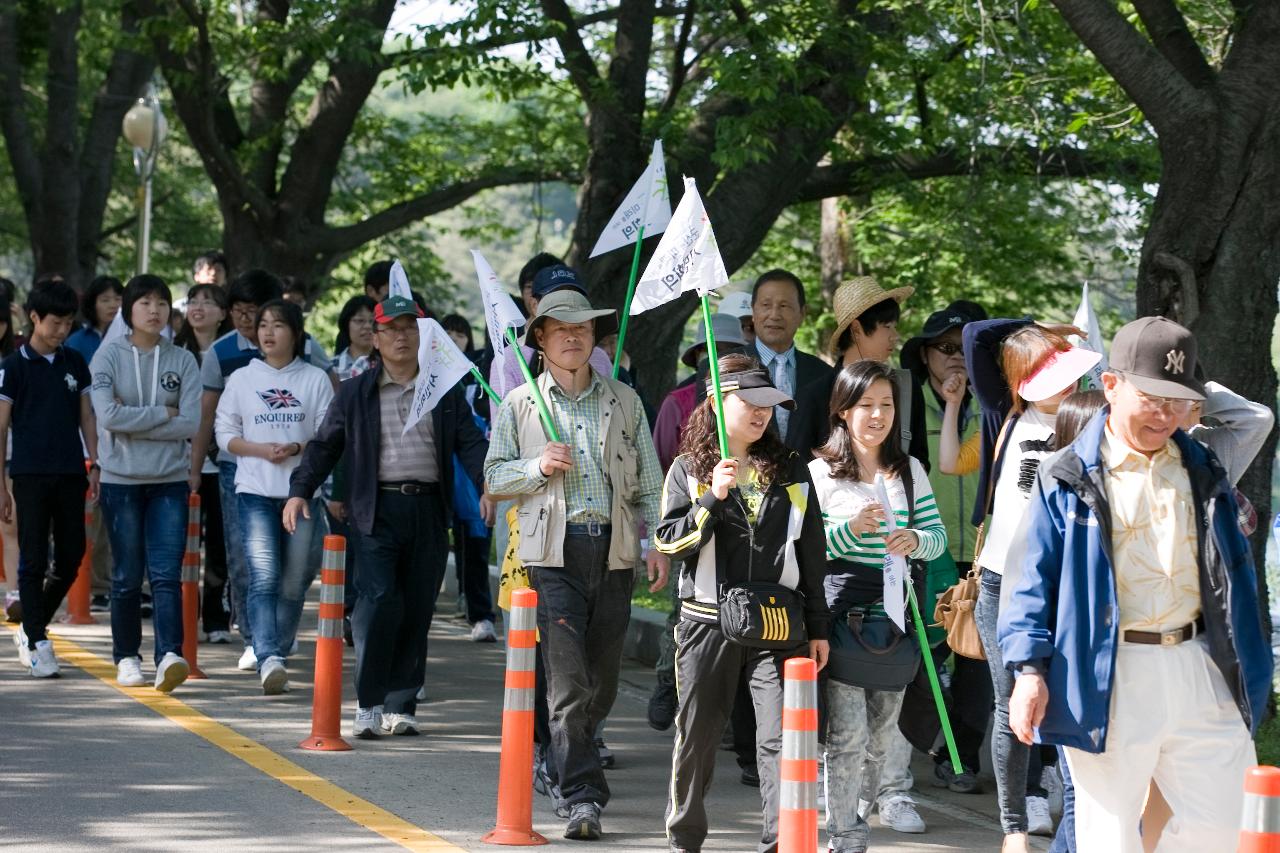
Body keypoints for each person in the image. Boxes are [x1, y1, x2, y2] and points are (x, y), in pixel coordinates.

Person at [1001, 317, 1271, 853]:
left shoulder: (1202, 466)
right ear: (1110, 385)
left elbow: (1253, 420)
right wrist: (1029, 671)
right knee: (1108, 836)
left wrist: (1193, 390)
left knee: (1230, 827)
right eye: (1151, 396)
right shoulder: (1065, 475)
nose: (1164, 414)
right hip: (1107, 670)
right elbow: (1031, 580)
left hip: (1203, 663)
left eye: (1177, 400)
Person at [484, 288, 669, 841]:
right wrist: (537, 466)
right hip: (552, 555)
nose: (573, 336)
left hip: (612, 550)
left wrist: (657, 540)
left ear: (594, 338)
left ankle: (565, 762)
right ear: (538, 339)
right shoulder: (519, 404)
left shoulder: (624, 399)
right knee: (567, 683)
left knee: (602, 683)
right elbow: (494, 478)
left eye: (583, 329)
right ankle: (582, 795)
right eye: (560, 328)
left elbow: (653, 479)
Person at [285, 294, 489, 737]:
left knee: (417, 606)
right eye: (391, 329)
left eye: (410, 328)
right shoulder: (356, 392)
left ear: (423, 335)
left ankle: (402, 703)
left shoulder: (443, 392)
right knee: (378, 603)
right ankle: (369, 702)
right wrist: (299, 490)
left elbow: (470, 444)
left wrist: (488, 484)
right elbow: (324, 445)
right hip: (375, 511)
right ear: (375, 339)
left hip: (429, 511)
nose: (401, 336)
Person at [655, 354, 830, 853]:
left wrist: (817, 626)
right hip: (706, 622)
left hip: (778, 621)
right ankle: (685, 839)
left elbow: (811, 551)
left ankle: (781, 843)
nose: (762, 414)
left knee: (779, 739)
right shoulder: (689, 468)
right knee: (698, 736)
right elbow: (669, 542)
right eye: (749, 402)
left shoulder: (793, 468)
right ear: (716, 402)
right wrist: (711, 498)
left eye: (769, 404)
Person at [962, 317, 1100, 851]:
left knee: (1063, 701)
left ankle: (1074, 816)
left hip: (1060, 586)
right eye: (1048, 371)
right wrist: (1038, 328)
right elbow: (976, 335)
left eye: (1063, 367)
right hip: (999, 584)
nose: (1064, 381)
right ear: (1021, 382)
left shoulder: (1086, 419)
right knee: (1007, 705)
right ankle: (1014, 827)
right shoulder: (1003, 416)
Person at [808, 360, 948, 853]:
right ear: (843, 411)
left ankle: (857, 814)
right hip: (842, 612)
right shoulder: (820, 472)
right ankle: (846, 834)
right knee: (846, 734)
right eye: (866, 404)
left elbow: (938, 538)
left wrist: (914, 539)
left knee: (882, 738)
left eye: (886, 405)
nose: (877, 415)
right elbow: (808, 548)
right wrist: (852, 532)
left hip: (897, 616)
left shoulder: (909, 470)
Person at [189, 269, 333, 672]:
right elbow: (221, 428)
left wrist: (297, 447)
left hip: (301, 493)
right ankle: (265, 651)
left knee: (293, 579)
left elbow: (328, 430)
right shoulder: (238, 373)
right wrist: (257, 450)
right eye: (261, 323)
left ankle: (279, 646)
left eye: (276, 324)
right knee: (260, 572)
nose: (265, 331)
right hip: (251, 488)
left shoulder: (314, 377)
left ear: (296, 332)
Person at [899, 300, 992, 794]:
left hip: (983, 553)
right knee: (925, 658)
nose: (956, 357)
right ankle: (924, 746)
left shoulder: (999, 407)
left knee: (976, 664)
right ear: (925, 354)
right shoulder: (904, 402)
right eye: (945, 348)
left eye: (968, 348)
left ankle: (964, 757)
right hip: (925, 549)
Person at [90, 275, 201, 692]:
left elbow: (190, 422)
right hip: (120, 480)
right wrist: (163, 414)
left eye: (161, 303)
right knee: (126, 576)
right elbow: (109, 417)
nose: (154, 310)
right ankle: (126, 657)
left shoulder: (183, 360)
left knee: (166, 574)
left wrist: (138, 418)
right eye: (145, 302)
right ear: (128, 310)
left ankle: (170, 654)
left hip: (169, 481)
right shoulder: (107, 358)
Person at [0, 278, 98, 677]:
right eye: (54, 322)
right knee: (33, 557)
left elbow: (87, 414)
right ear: (34, 318)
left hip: (72, 470)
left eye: (68, 324)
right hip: (28, 474)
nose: (61, 331)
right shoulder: (13, 367)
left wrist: (97, 463)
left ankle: (30, 617)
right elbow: (1, 428)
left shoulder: (75, 362)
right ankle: (38, 639)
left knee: (73, 554)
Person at [789, 277, 924, 463]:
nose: (895, 336)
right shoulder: (815, 395)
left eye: (895, 327)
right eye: (887, 327)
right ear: (856, 329)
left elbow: (920, 460)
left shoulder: (907, 387)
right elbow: (797, 467)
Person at [175, 284, 233, 643]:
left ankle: (215, 618)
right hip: (178, 460)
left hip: (222, 459)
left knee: (219, 545)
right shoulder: (174, 351)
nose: (198, 308)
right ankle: (183, 613)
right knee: (181, 542)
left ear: (223, 313)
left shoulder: (231, 352)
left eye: (208, 302)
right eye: (193, 301)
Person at [440, 312, 498, 643]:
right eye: (447, 332)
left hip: (478, 468)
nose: (454, 338)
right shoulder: (431, 379)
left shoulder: (480, 376)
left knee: (477, 539)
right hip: (445, 469)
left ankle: (481, 611)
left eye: (460, 333)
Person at [327, 294, 378, 644]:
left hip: (375, 474)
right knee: (340, 547)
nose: (364, 327)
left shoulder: (386, 366)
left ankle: (359, 612)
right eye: (358, 320)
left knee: (366, 549)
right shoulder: (330, 367)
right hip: (339, 468)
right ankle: (345, 611)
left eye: (371, 321)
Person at [749, 269, 832, 450]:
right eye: (766, 305)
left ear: (802, 313)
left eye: (784, 306)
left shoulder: (823, 374)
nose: (774, 315)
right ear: (753, 311)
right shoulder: (722, 368)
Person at [66, 275, 124, 366]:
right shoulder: (77, 341)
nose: (113, 305)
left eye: (118, 299)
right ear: (92, 304)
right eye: (105, 300)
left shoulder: (132, 338)